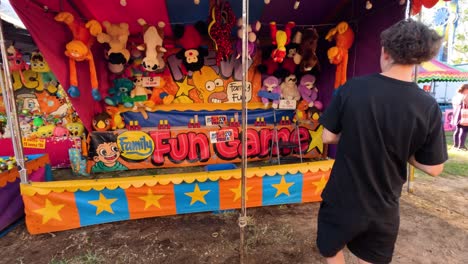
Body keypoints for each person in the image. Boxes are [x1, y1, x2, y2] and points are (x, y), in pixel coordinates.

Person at [317, 19, 447, 264]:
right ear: (419, 59)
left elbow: (328, 136)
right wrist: (404, 152)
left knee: (330, 248)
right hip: (384, 206)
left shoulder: (352, 89)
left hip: (342, 198)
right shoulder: (428, 106)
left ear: (385, 52)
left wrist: (357, 134)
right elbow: (434, 168)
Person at [451, 84, 468, 150]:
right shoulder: (465, 96)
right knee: (464, 130)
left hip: (456, 115)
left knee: (457, 130)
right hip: (464, 115)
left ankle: (455, 145)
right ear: (466, 89)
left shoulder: (456, 96)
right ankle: (461, 146)